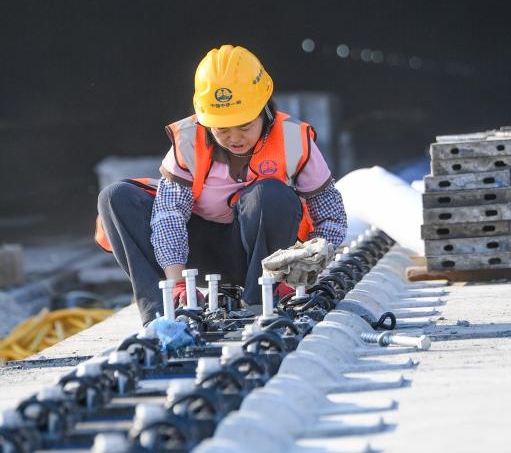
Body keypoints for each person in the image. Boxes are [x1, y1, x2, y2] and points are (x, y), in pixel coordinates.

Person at [96, 45, 348, 322]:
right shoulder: (189, 141)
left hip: (262, 259)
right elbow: (169, 215)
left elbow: (331, 216)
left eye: (244, 126)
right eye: (222, 129)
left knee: (272, 195)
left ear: (264, 109)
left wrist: (311, 261)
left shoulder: (293, 140)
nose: (234, 137)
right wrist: (178, 282)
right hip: (195, 254)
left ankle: (260, 301)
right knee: (116, 197)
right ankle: (163, 309)